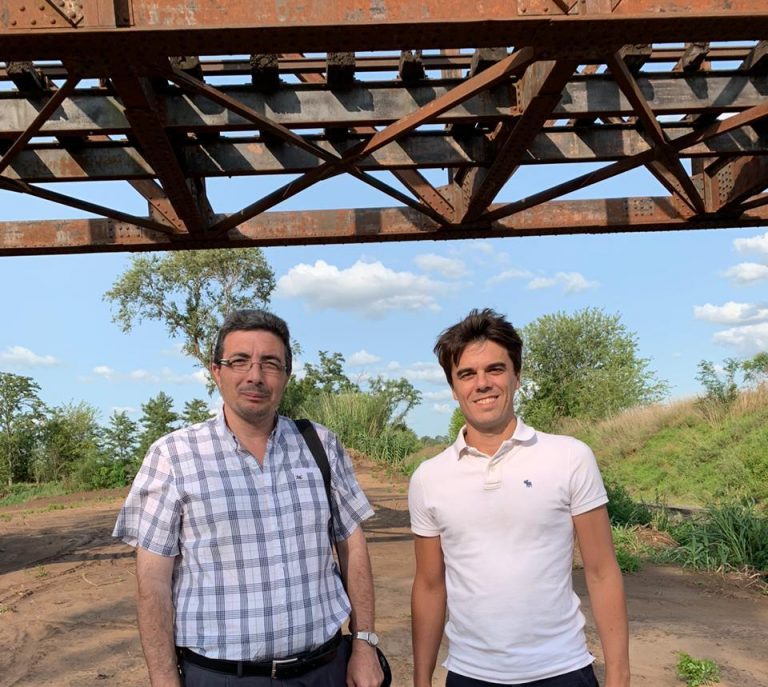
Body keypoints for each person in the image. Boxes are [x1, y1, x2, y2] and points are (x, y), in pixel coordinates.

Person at [114, 309, 384, 687]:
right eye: (239, 361)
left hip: (324, 670)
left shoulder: (321, 445)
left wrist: (365, 644)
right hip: (220, 677)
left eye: (270, 363)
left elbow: (352, 546)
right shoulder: (172, 456)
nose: (255, 375)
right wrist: (162, 677)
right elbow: (153, 583)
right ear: (216, 371)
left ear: (286, 376)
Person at [409, 308, 629, 687]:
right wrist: (421, 680)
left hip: (562, 670)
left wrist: (619, 677)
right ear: (453, 387)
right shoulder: (429, 478)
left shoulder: (570, 457)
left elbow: (602, 570)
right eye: (467, 374)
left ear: (517, 376)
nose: (482, 383)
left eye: (495, 369)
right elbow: (430, 586)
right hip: (469, 674)